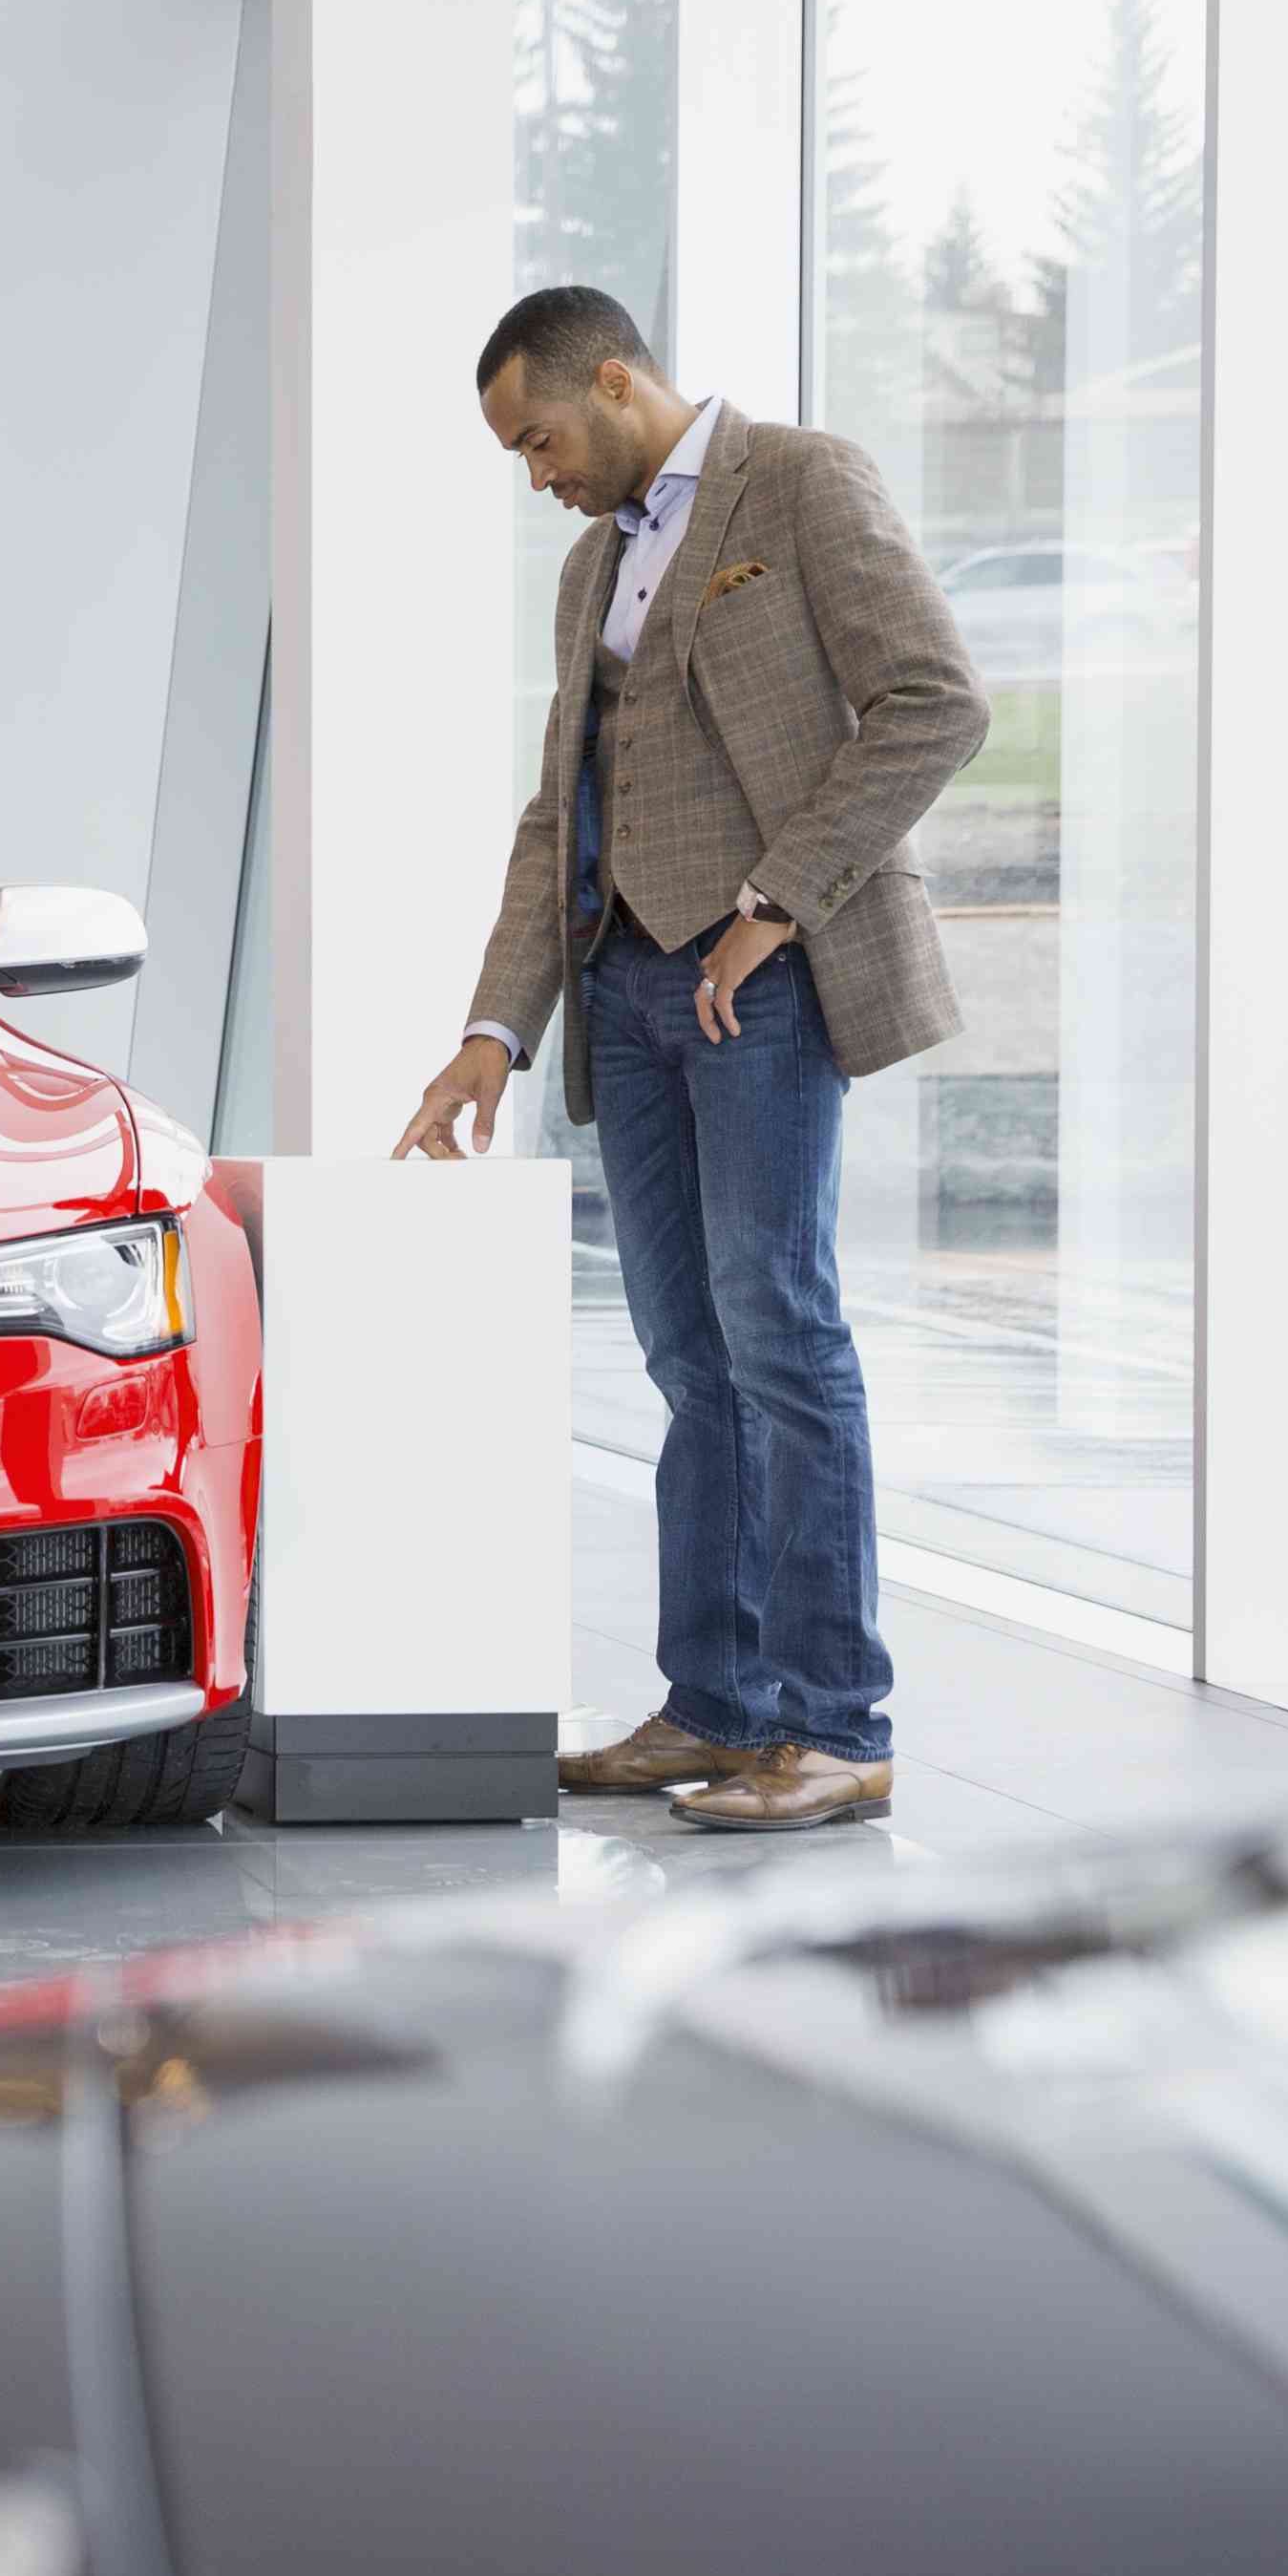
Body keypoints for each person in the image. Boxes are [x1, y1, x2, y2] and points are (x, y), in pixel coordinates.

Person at [395, 287, 986, 1832]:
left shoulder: (798, 481)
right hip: (629, 1000)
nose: (537, 476)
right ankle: (718, 1709)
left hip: (765, 989)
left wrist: (775, 903)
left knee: (781, 1333)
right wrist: (489, 1033)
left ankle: (839, 1725)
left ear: (615, 378)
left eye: (539, 438)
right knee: (685, 1359)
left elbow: (936, 704)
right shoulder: (594, 565)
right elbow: (557, 820)